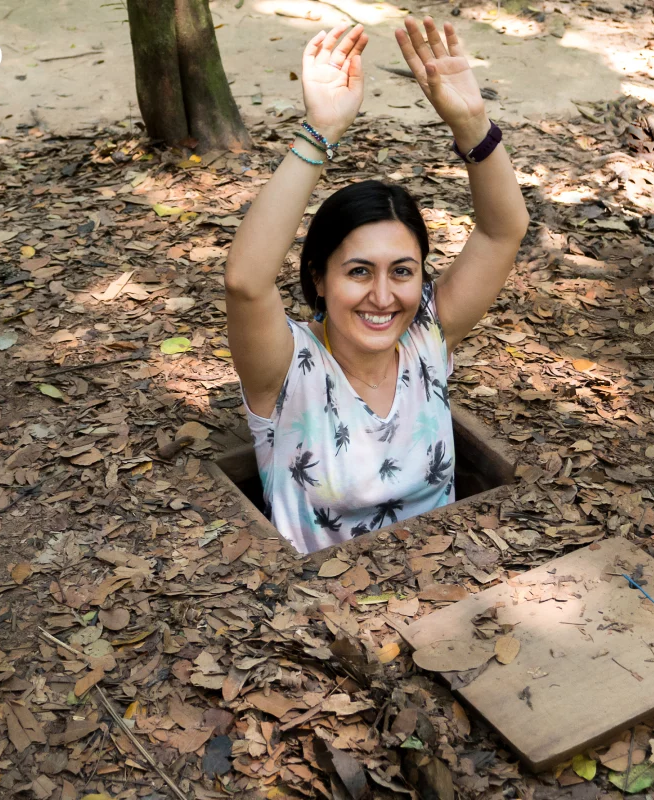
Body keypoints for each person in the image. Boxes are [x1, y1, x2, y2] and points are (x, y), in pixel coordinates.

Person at [224, 18, 529, 554]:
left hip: (449, 591)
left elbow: (503, 231)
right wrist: (320, 132)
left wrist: (473, 123)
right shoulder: (286, 370)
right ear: (318, 275)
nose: (384, 297)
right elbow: (246, 282)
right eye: (359, 271)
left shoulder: (427, 338)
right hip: (320, 618)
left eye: (403, 271)